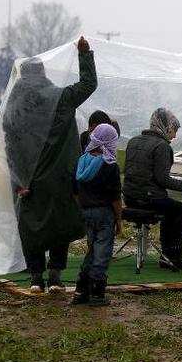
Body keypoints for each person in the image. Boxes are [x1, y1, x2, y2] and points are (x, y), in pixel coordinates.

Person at [2, 36, 97, 292]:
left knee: (31, 226)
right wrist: (84, 55)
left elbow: (10, 146)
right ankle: (55, 276)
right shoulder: (62, 98)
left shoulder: (14, 106)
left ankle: (36, 278)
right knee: (60, 224)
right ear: (44, 73)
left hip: (29, 180)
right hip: (62, 177)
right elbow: (89, 84)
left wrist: (19, 181)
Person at [122, 108, 182, 268]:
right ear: (166, 127)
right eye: (174, 130)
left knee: (169, 206)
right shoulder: (162, 146)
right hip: (149, 199)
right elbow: (162, 179)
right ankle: (172, 256)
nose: (175, 135)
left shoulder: (133, 141)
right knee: (179, 210)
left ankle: (166, 253)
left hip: (129, 197)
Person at [72, 123, 123, 306]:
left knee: (92, 250)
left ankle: (80, 291)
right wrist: (119, 220)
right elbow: (115, 198)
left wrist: (83, 209)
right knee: (102, 253)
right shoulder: (110, 165)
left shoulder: (82, 161)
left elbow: (75, 191)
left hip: (86, 212)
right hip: (104, 214)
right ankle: (97, 294)